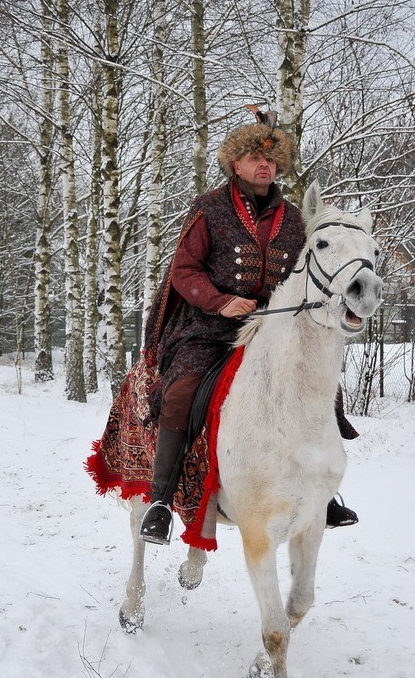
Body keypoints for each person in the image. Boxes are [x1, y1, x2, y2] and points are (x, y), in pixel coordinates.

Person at [139, 107, 359, 545]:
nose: (266, 166)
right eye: (256, 158)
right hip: (208, 328)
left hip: (273, 329)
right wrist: (222, 302)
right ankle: (160, 502)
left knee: (323, 387)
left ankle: (323, 492)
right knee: (182, 391)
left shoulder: (296, 218)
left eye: (273, 160)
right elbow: (184, 271)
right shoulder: (209, 209)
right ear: (235, 164)